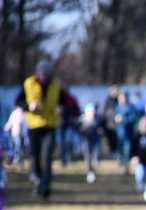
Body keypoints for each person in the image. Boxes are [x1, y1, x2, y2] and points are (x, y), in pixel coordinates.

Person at [15, 60, 69, 199]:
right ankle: (37, 181)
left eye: (47, 74)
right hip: (34, 126)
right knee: (35, 156)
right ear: (37, 74)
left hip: (50, 125)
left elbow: (64, 101)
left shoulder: (56, 85)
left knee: (47, 156)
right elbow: (18, 101)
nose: (44, 76)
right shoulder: (28, 83)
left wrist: (61, 108)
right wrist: (28, 106)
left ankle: (46, 187)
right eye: (42, 74)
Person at [114, 91, 138, 174]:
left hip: (128, 135)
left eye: (123, 98)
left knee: (127, 150)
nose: (122, 99)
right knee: (120, 151)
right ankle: (122, 165)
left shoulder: (131, 107)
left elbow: (134, 119)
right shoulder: (117, 107)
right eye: (120, 98)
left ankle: (126, 167)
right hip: (119, 134)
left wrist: (124, 120)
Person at [78, 103, 102, 183]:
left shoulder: (98, 119)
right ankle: (89, 173)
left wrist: (100, 131)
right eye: (91, 112)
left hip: (96, 140)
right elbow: (78, 129)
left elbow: (101, 128)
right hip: (86, 141)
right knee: (88, 157)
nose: (92, 113)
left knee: (96, 157)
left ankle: (93, 172)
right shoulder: (82, 120)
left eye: (93, 111)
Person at [101, 85, 120, 157]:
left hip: (117, 125)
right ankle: (112, 155)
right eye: (114, 91)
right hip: (109, 125)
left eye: (116, 91)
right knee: (110, 141)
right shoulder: (107, 101)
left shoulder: (119, 100)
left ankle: (116, 155)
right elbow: (104, 113)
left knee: (117, 141)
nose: (115, 93)